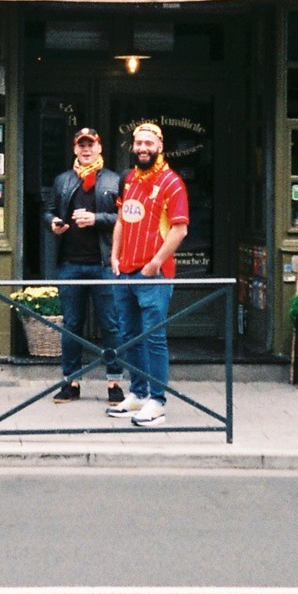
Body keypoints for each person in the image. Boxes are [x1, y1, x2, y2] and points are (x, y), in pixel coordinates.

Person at [107, 122, 190, 427]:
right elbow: (120, 220)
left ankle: (157, 401)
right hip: (125, 271)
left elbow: (180, 229)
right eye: (138, 143)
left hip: (153, 275)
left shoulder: (172, 183)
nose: (142, 148)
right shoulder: (128, 179)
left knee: (154, 338)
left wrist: (154, 263)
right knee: (129, 336)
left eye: (148, 143)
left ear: (160, 146)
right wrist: (114, 255)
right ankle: (138, 393)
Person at [45, 128, 125, 403]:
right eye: (81, 146)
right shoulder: (63, 180)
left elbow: (125, 217)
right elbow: (49, 210)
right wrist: (53, 223)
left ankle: (114, 383)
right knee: (72, 325)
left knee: (111, 326)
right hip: (70, 263)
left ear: (100, 148)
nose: (86, 150)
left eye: (91, 145)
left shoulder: (115, 180)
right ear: (75, 149)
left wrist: (96, 218)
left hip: (104, 264)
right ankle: (71, 382)